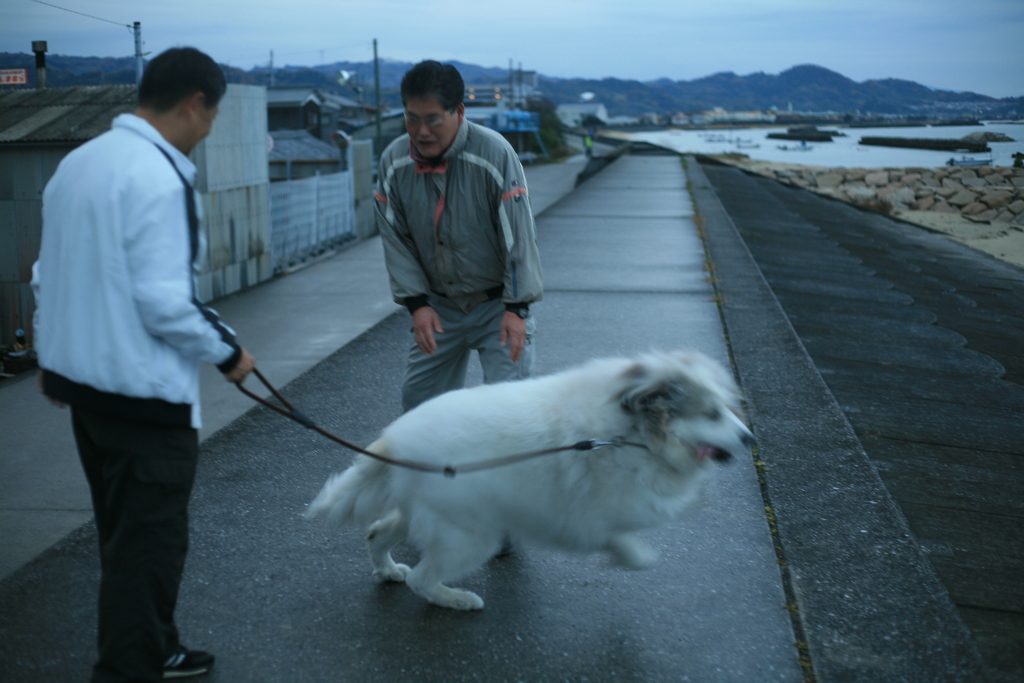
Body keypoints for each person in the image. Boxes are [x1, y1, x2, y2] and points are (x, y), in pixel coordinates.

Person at [31, 47, 255, 682]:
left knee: (123, 539)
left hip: (87, 398)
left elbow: (48, 276)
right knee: (147, 551)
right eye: (212, 116)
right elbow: (164, 302)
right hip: (142, 401)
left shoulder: (79, 163)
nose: (209, 130)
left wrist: (52, 360)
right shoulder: (161, 176)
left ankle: (157, 647)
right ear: (194, 104)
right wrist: (230, 355)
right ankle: (131, 667)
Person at [375, 60, 543, 413]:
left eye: (433, 119)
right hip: (438, 306)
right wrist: (416, 304)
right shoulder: (394, 161)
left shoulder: (494, 153)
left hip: (498, 304)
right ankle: (439, 470)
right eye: (412, 118)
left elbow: (518, 237)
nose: (421, 131)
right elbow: (396, 240)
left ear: (459, 112)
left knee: (508, 412)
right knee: (419, 408)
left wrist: (517, 309)